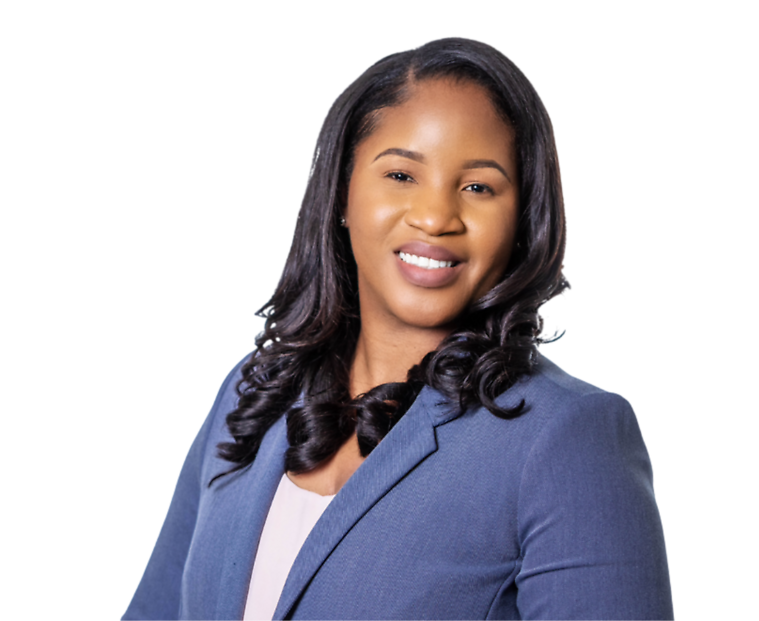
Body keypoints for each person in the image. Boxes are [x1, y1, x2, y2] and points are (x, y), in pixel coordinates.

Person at [121, 36, 676, 620]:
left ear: (521, 220)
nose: (437, 217)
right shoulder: (249, 390)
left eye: (478, 187)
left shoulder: (568, 438)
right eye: (402, 175)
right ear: (341, 191)